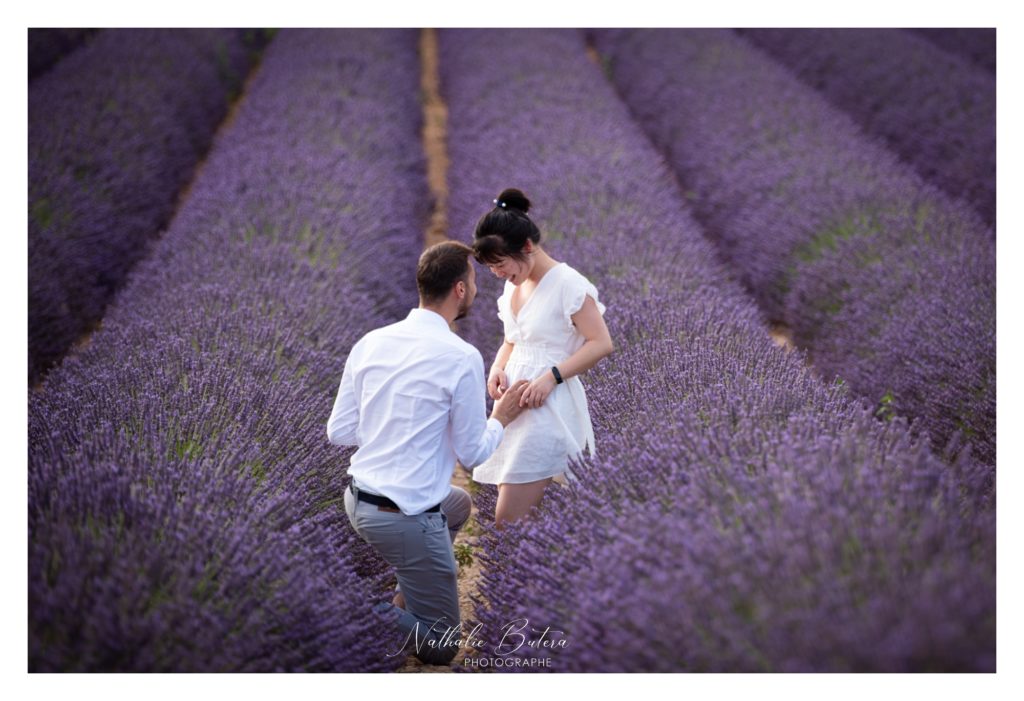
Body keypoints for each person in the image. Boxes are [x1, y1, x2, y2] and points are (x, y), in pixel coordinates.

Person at [326, 240, 530, 666]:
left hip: (358, 499)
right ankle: (351, 608)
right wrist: (502, 416)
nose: (476, 289)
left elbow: (338, 431)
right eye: (474, 281)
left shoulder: (370, 342)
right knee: (440, 646)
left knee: (457, 505)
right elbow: (473, 453)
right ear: (459, 289)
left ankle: (411, 585)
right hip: (404, 517)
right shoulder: (460, 357)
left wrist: (394, 426)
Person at [471, 188, 614, 526]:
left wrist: (552, 377)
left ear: (527, 247)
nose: (497, 274)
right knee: (526, 520)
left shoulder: (568, 284)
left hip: (548, 407)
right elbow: (513, 339)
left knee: (508, 520)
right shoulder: (513, 286)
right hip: (516, 408)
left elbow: (600, 342)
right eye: (491, 267)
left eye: (500, 264)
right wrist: (497, 367)